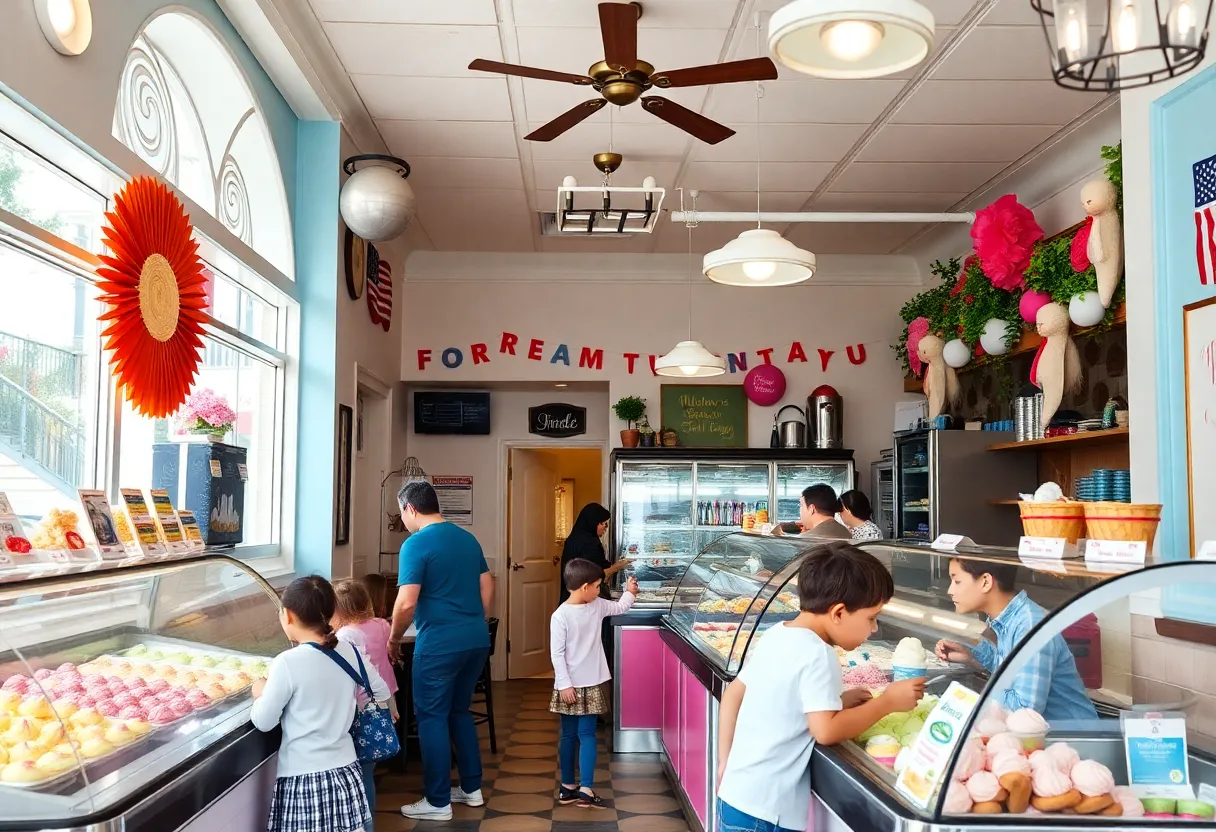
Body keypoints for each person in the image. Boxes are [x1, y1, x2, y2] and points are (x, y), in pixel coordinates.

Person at [716, 542, 924, 832]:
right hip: (767, 815)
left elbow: (734, 694)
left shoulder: (778, 633)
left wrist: (725, 761)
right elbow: (826, 731)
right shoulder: (819, 652)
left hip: (736, 795)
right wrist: (887, 702)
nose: (874, 629)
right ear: (838, 613)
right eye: (871, 618)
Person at [389, 481, 494, 822]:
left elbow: (406, 602)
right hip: (476, 639)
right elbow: (487, 582)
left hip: (439, 645)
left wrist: (393, 638)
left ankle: (437, 801)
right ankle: (471, 788)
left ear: (411, 509)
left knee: (431, 717)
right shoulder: (466, 538)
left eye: (401, 512)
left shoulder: (415, 544)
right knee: (459, 711)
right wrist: (476, 617)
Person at [252, 576, 391, 832]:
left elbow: (264, 721)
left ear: (289, 616)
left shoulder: (287, 662)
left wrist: (260, 691)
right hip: (347, 774)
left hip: (304, 780)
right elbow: (381, 690)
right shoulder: (348, 649)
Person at [936, 558, 1098, 721]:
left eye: (957, 581)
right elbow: (1014, 668)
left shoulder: (1029, 625)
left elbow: (1025, 711)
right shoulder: (1008, 618)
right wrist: (972, 656)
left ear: (985, 582)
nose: (950, 590)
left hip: (1073, 739)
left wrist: (968, 700)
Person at [550, 558, 638, 808]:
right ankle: (583, 788)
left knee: (570, 735)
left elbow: (618, 607)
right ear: (585, 587)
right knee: (583, 735)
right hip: (580, 683)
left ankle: (569, 788)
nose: (600, 591)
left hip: (570, 685)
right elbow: (556, 653)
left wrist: (630, 593)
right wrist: (566, 683)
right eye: (598, 586)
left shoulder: (590, 606)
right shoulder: (563, 615)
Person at [333, 580, 400, 829]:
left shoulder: (346, 635)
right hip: (385, 697)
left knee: (361, 770)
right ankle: (368, 818)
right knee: (368, 770)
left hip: (361, 706)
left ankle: (363, 820)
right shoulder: (382, 625)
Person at [559, 503, 630, 604]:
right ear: (592, 523)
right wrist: (617, 566)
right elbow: (595, 576)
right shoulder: (590, 543)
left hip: (570, 598)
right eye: (603, 524)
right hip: (586, 602)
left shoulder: (574, 538)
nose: (605, 528)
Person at [774, 484, 851, 540]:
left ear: (811, 509)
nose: (800, 510)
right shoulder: (846, 533)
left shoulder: (805, 540)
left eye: (801, 505)